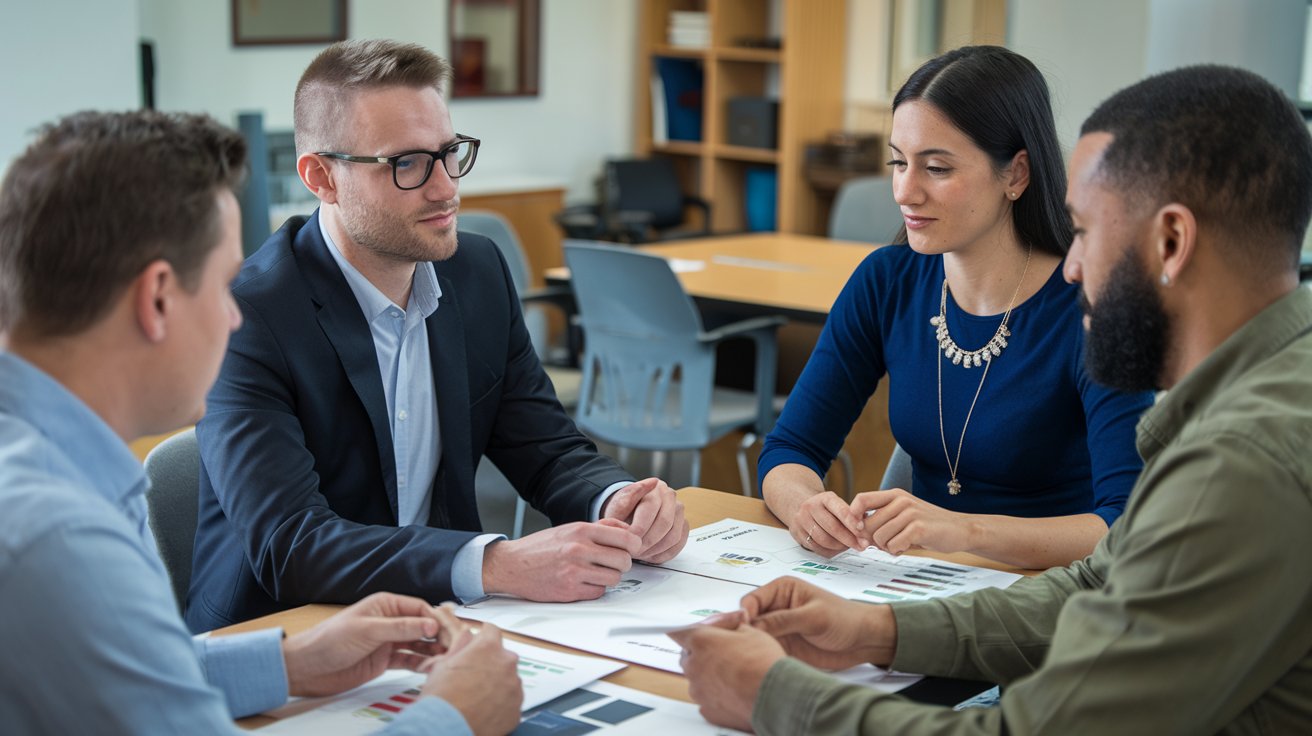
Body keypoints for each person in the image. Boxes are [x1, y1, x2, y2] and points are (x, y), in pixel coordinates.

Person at [672, 64, 1312, 734]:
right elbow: (1099, 583)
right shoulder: (1263, 396)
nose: (1072, 266)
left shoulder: (1242, 464)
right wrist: (875, 630)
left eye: (1088, 233)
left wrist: (773, 696)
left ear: (1171, 242)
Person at [0, 110, 522, 735]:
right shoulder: (57, 536)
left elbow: (116, 675)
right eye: (222, 287)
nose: (234, 319)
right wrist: (455, 716)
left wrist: (288, 663)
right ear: (158, 299)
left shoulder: (61, 466)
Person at [186, 39, 688, 632]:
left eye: (449, 154)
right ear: (322, 176)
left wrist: (620, 500)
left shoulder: (475, 272)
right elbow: (291, 544)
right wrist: (496, 563)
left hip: (441, 622)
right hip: (283, 638)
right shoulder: (248, 316)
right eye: (407, 164)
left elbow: (547, 449)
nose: (446, 187)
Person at [759, 45, 1153, 569]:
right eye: (898, 162)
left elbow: (1123, 524)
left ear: (1016, 175)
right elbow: (789, 449)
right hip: (918, 581)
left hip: (1051, 593)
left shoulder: (1092, 309)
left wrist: (965, 531)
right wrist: (807, 506)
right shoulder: (887, 280)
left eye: (937, 168)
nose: (905, 191)